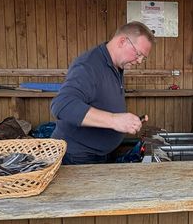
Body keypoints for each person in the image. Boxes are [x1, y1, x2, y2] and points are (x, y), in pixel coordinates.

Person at [52, 21, 154, 165]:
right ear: (122, 42)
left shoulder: (116, 65)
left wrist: (125, 121)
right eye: (138, 54)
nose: (139, 61)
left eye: (143, 58)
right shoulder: (89, 66)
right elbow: (62, 105)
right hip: (78, 157)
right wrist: (114, 120)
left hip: (101, 154)